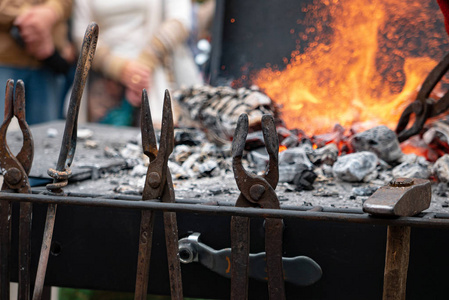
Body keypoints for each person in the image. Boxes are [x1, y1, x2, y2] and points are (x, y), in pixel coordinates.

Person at [72, 0, 203, 127]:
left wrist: (143, 65)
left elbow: (180, 21)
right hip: (104, 81)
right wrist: (120, 69)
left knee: (157, 142)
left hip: (155, 76)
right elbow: (81, 34)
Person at [0, 0, 74, 125]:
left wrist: (50, 12)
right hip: (5, 59)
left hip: (47, 60)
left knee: (47, 132)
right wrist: (36, 18)